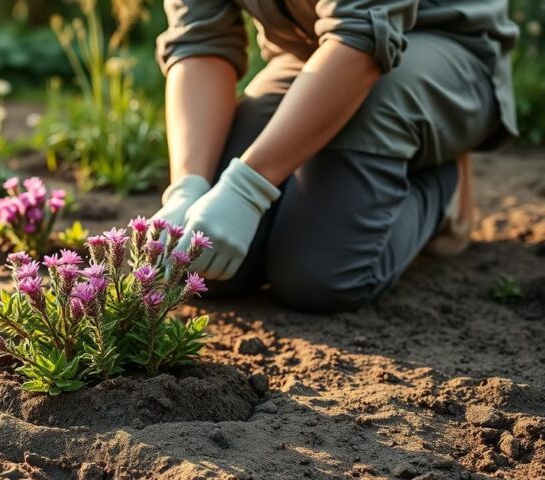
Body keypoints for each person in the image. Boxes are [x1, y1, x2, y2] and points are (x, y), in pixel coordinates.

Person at [154, 0, 519, 313]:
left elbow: (361, 30)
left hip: (445, 45)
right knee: (207, 269)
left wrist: (247, 187)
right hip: (308, 55)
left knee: (319, 273)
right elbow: (200, 40)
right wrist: (188, 186)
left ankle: (444, 185)